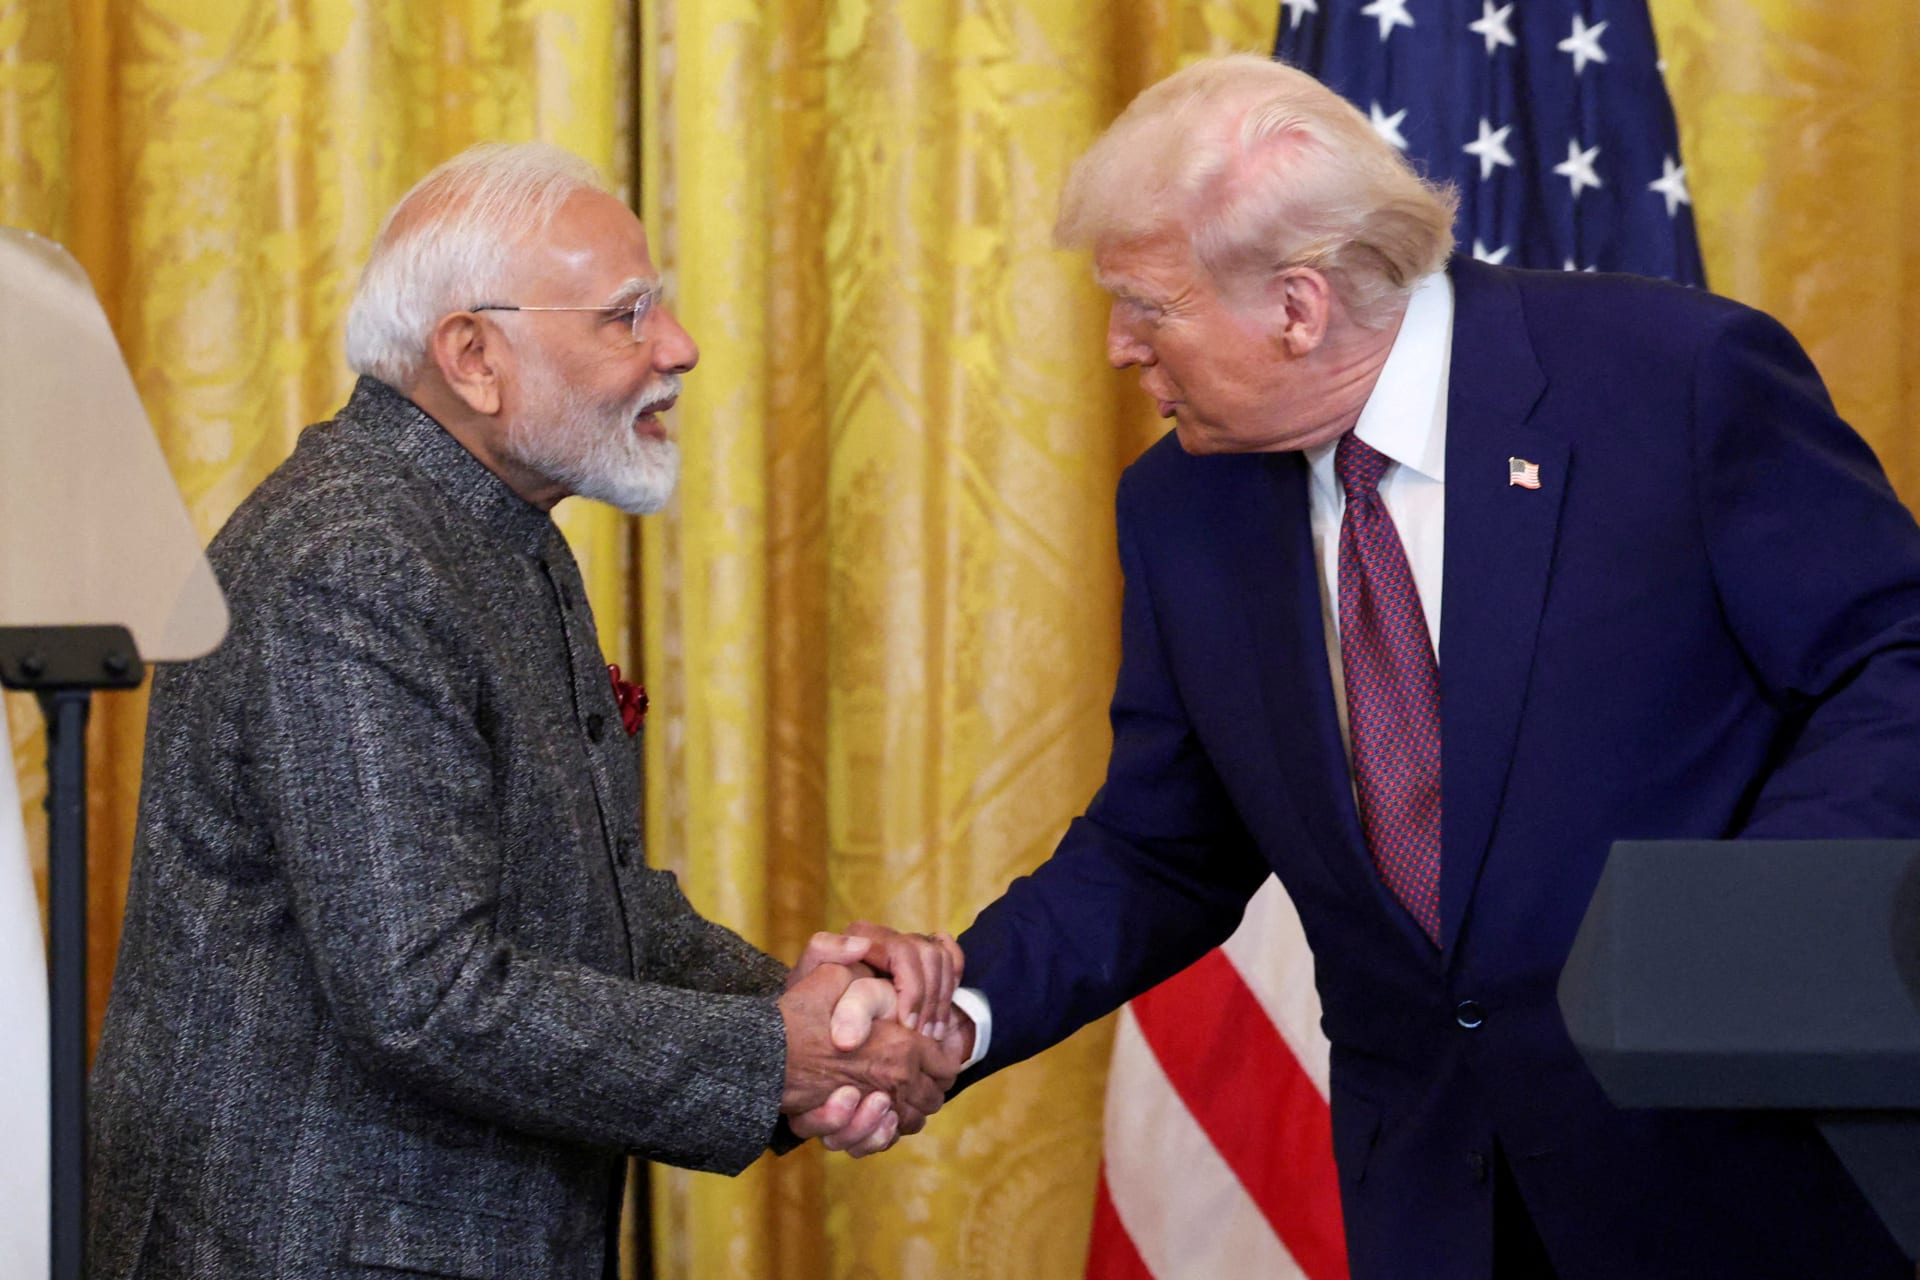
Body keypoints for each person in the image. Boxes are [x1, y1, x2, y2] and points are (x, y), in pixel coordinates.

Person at [868, 54, 1920, 1278]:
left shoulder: (1675, 381)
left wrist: (1738, 931)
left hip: (1730, 1169)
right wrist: (962, 1010)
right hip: (1435, 1200)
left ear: (1298, 305)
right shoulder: (1181, 506)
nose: (1116, 347)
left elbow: (1890, 658)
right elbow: (1162, 843)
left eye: (1145, 305)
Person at [87, 142, 964, 1280]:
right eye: (627, 315)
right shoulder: (353, 559)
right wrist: (775, 1054)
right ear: (474, 356)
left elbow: (599, 911)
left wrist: (816, 1016)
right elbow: (425, 992)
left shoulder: (496, 531)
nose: (680, 347)